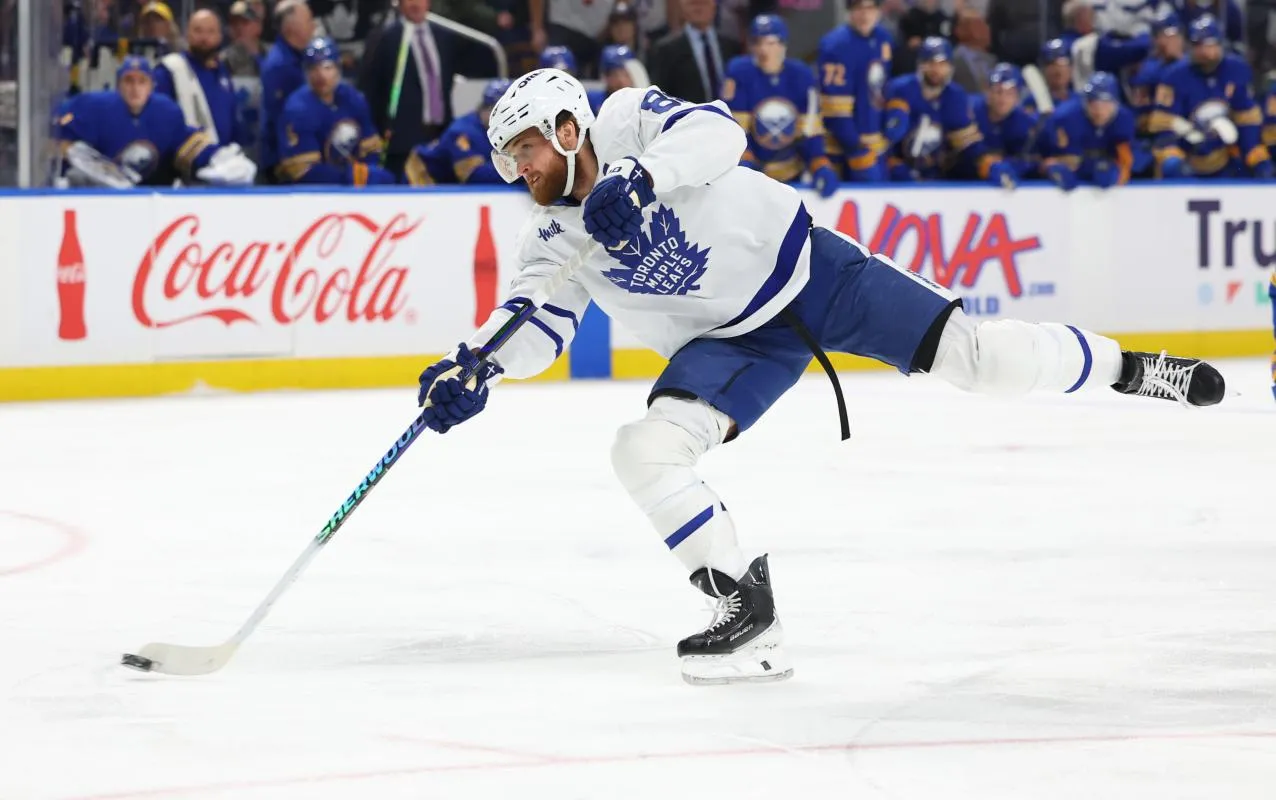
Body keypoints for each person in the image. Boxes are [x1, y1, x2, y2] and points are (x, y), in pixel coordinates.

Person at [412, 68, 1227, 685]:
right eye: (505, 157)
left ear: (562, 129)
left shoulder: (627, 120)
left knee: (984, 361)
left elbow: (720, 135)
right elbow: (534, 322)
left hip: (814, 274)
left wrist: (641, 177)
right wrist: (473, 369)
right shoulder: (550, 240)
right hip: (731, 345)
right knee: (641, 450)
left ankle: (1129, 369)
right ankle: (743, 602)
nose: (515, 169)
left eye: (521, 150)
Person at [55, 55, 255, 187]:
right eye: (129, 81)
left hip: (155, 203)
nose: (135, 88)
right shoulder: (94, 107)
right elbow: (63, 141)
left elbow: (186, 145)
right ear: (118, 85)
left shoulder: (166, 112)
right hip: (103, 204)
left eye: (142, 81)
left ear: (151, 86)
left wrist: (218, 157)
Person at [723, 15, 838, 197]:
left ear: (783, 45)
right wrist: (744, 162)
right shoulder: (739, 73)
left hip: (792, 175)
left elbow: (809, 132)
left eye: (770, 43)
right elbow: (736, 130)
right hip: (753, 176)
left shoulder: (802, 76)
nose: (763, 50)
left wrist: (820, 164)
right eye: (757, 42)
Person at [1151, 15, 1273, 179]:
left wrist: (1255, 156)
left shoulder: (1236, 70)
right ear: (1190, 46)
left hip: (1225, 152)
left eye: (1210, 45)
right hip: (1185, 151)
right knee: (1172, 166)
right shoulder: (1173, 76)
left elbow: (1247, 121)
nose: (1206, 52)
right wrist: (1188, 135)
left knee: (1260, 167)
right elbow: (1162, 125)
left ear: (1220, 45)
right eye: (1199, 45)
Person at [883, 37, 1014, 185]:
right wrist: (893, 163)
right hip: (896, 174)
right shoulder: (900, 89)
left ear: (951, 67)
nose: (936, 69)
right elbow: (885, 136)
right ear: (920, 65)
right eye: (930, 62)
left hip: (938, 177)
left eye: (942, 64)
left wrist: (988, 163)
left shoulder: (955, 97)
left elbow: (967, 143)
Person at [276, 37, 393, 185]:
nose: (321, 75)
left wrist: (366, 175)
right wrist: (354, 176)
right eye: (313, 68)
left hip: (353, 186)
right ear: (305, 72)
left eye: (327, 67)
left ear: (338, 69)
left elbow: (371, 149)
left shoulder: (352, 98)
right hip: (310, 195)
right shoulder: (298, 108)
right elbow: (304, 171)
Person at [817, 0, 894, 181]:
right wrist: (855, 146)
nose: (865, 15)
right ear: (849, 11)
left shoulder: (884, 39)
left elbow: (882, 88)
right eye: (859, 8)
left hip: (876, 146)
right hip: (842, 150)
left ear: (878, 11)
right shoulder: (835, 45)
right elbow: (834, 108)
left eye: (870, 8)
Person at [153, 9, 246, 149]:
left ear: (220, 36)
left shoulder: (222, 72)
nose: (204, 38)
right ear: (187, 34)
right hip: (184, 160)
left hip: (224, 161)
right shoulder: (171, 70)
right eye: (198, 31)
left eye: (210, 32)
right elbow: (161, 121)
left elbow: (232, 120)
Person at [1039, 72, 1135, 191]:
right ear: (1085, 103)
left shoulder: (1124, 119)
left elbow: (1127, 160)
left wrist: (1117, 173)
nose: (1099, 112)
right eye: (1094, 105)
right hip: (1074, 167)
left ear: (1115, 104)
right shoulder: (1066, 117)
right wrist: (1051, 167)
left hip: (1101, 168)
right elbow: (1051, 160)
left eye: (1105, 105)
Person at [404, 77, 510, 185]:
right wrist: (518, 170)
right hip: (422, 179)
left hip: (451, 185)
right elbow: (472, 174)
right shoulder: (462, 132)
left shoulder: (503, 130)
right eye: (504, 112)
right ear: (487, 109)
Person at [970, 62, 1037, 181]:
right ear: (987, 92)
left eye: (1009, 93)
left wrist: (1014, 165)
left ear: (1017, 97)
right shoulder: (970, 112)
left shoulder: (1025, 123)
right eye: (997, 91)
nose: (1002, 98)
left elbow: (1030, 161)